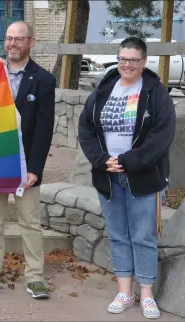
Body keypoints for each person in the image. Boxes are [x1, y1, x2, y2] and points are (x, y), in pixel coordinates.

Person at [78, 37, 176, 319]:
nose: (127, 64)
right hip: (108, 176)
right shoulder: (103, 91)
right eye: (123, 58)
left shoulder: (155, 92)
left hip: (143, 177)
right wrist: (101, 160)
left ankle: (146, 294)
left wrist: (128, 161)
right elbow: (86, 128)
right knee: (118, 235)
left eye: (133, 60)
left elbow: (162, 136)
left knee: (143, 237)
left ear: (143, 62)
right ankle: (124, 291)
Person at [0, 21, 56, 299]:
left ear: (31, 42)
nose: (13, 44)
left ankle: (36, 278)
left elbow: (44, 128)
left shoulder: (43, 80)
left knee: (30, 223)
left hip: (24, 165)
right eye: (8, 39)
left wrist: (35, 169)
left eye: (19, 39)